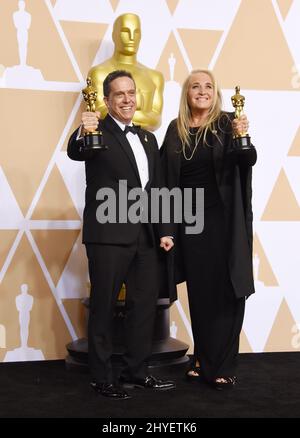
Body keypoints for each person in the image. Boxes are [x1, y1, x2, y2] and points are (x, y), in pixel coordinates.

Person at [67, 70, 175, 400]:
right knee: (104, 306)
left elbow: (156, 188)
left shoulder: (148, 139)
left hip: (145, 236)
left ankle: (136, 371)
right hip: (108, 234)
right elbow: (76, 151)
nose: (127, 99)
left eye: (131, 93)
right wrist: (83, 130)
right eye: (119, 95)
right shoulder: (96, 129)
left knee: (143, 307)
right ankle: (102, 377)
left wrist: (165, 230)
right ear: (107, 100)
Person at [160, 69, 257, 390]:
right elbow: (164, 182)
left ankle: (224, 365)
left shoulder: (230, 123)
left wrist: (244, 136)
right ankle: (202, 357)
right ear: (186, 93)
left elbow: (248, 158)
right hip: (191, 224)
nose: (202, 91)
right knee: (201, 294)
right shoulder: (176, 130)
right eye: (195, 86)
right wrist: (167, 228)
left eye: (208, 86)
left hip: (224, 222)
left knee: (227, 292)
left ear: (216, 93)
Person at [88, 13, 164, 130]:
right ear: (114, 35)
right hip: (111, 144)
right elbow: (100, 113)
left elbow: (156, 120)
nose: (132, 37)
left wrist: (120, 112)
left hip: (146, 146)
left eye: (136, 32)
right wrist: (143, 115)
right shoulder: (99, 73)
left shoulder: (154, 77)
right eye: (125, 31)